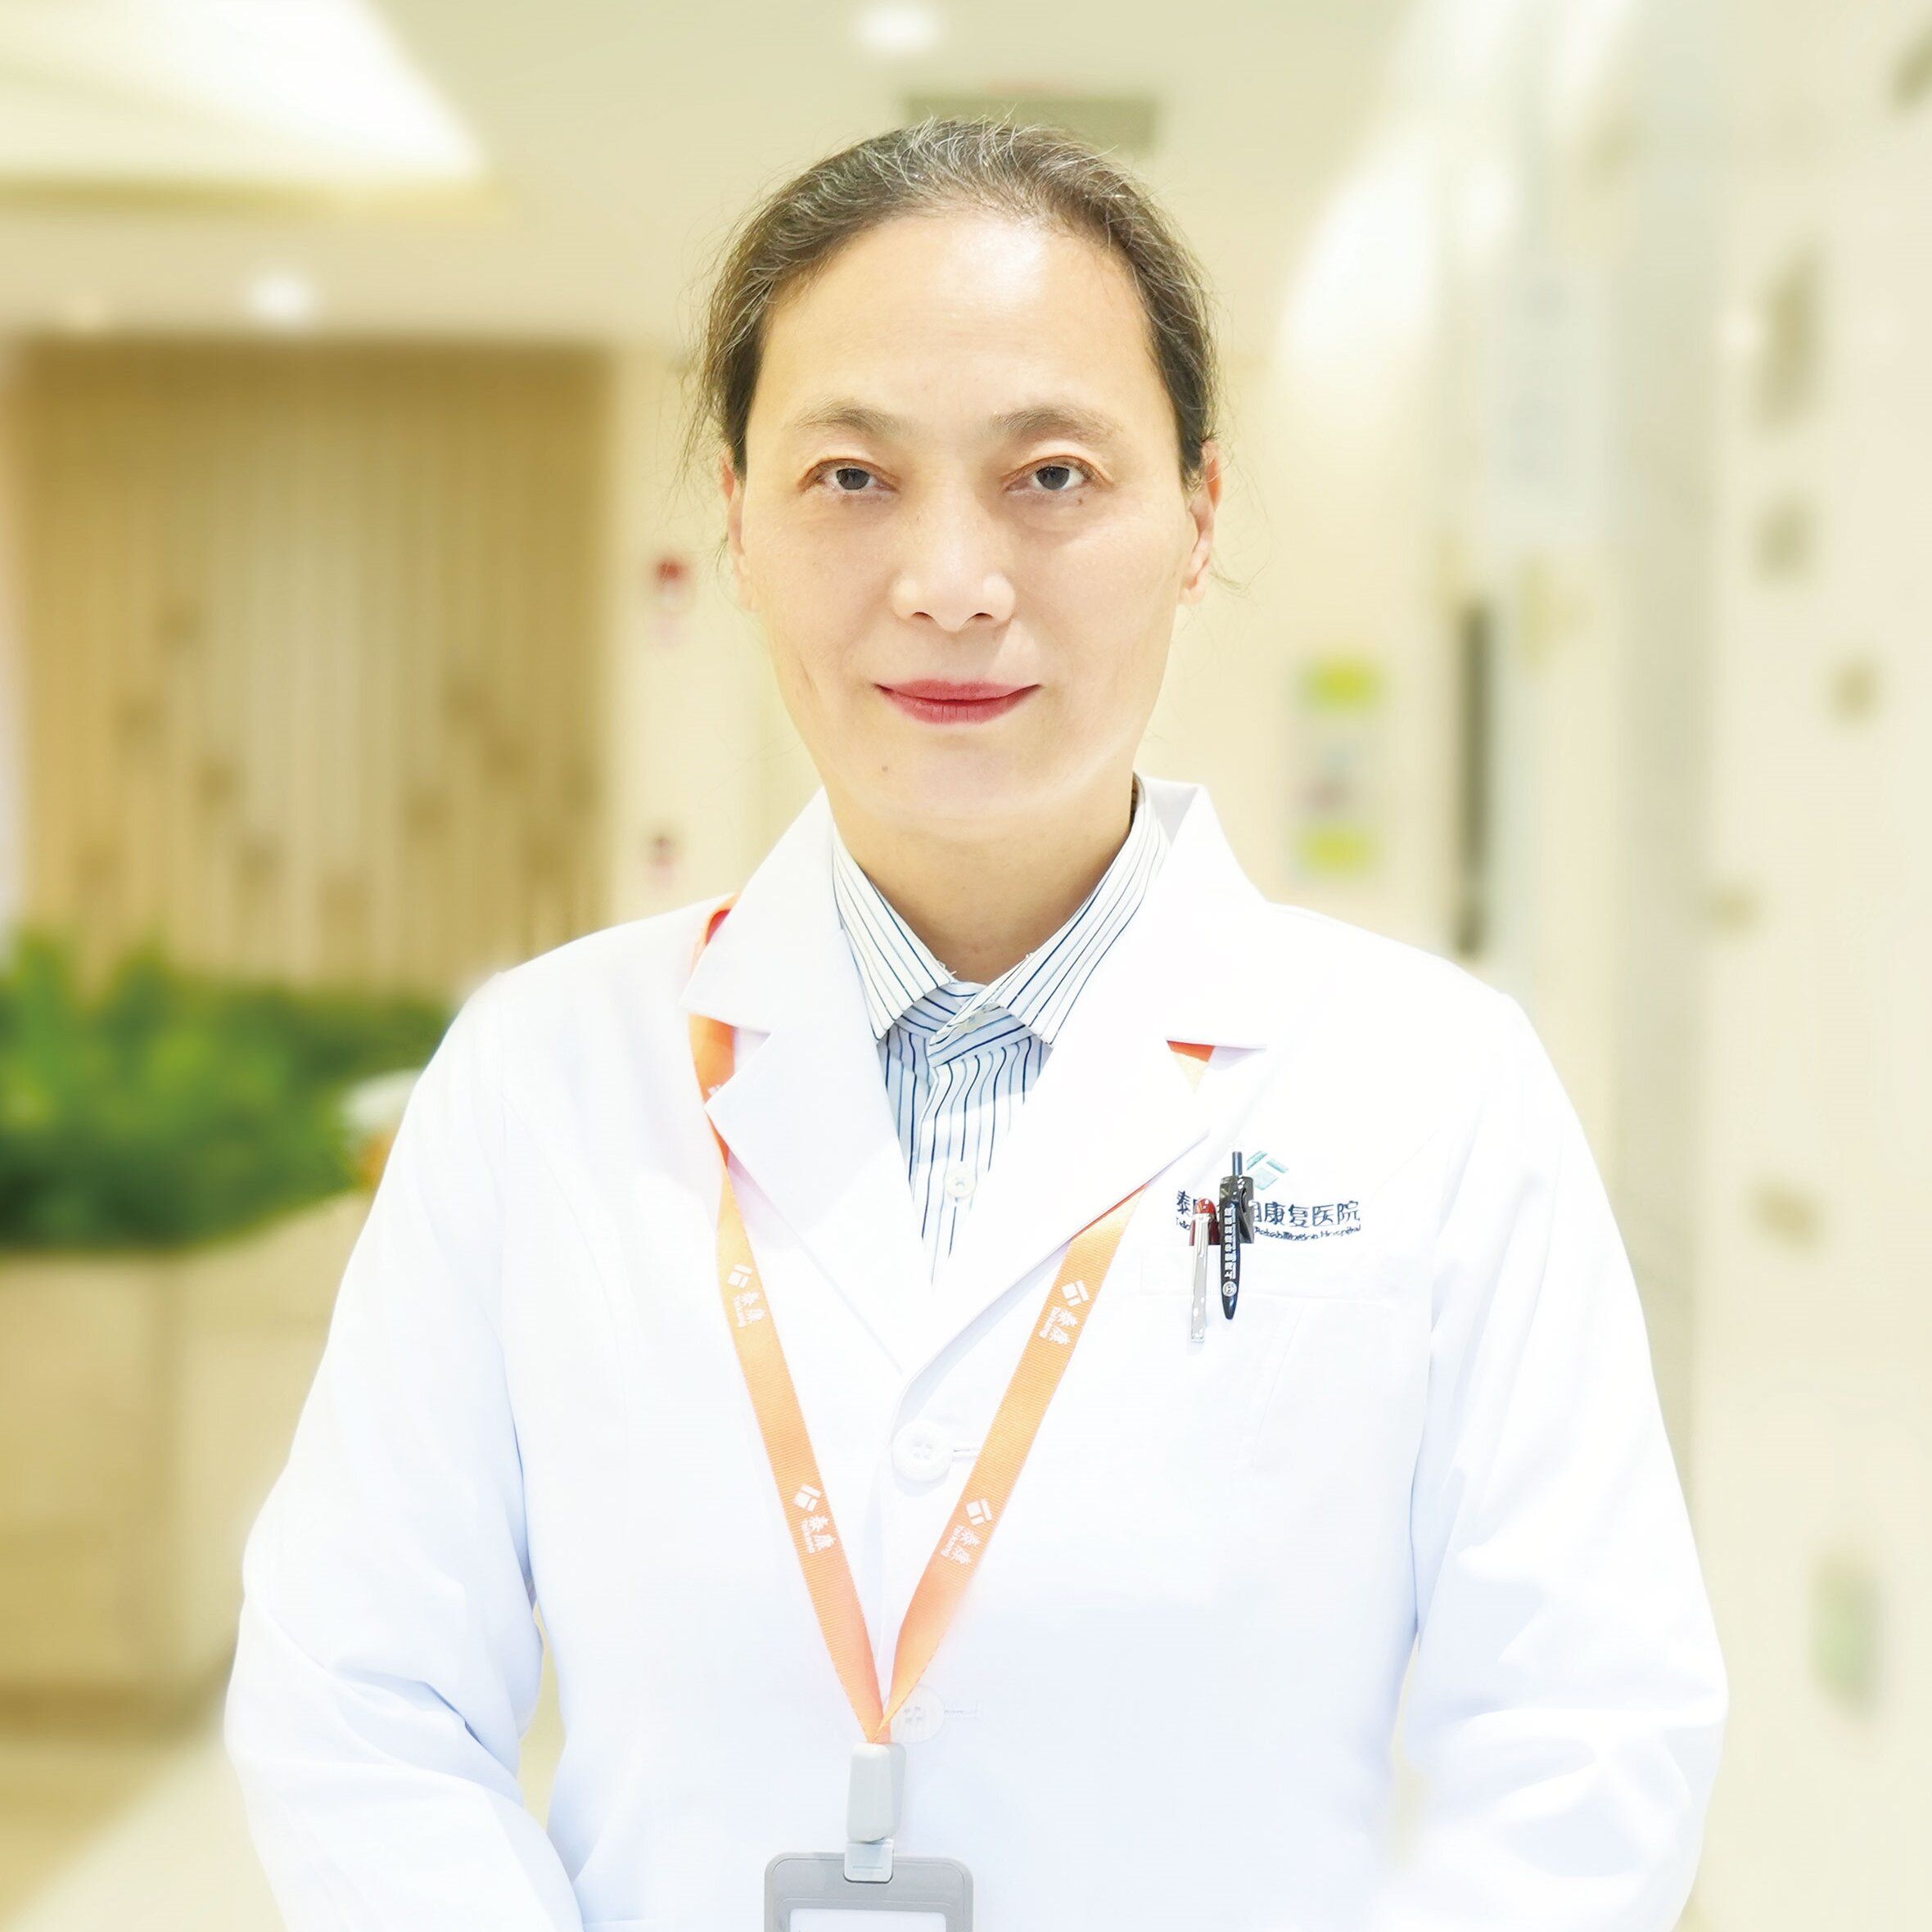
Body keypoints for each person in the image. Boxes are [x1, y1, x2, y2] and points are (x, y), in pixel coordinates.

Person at [224, 116, 1727, 1931]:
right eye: (851, 475)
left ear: (1199, 515)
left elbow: (1585, 1734)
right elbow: (360, 1698)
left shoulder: (1437, 1091)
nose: (951, 579)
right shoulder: (542, 1076)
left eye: (1053, 474)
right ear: (738, 517)